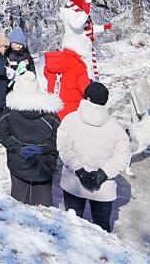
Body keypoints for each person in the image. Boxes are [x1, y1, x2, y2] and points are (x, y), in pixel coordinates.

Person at [57, 82, 130, 232]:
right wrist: (102, 174)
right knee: (101, 231)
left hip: (74, 184)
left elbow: (64, 148)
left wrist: (80, 171)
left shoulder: (70, 120)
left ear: (86, 98)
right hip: (103, 190)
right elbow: (121, 157)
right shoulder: (116, 128)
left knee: (72, 226)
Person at [0, 71, 62, 206]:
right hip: (43, 166)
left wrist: (18, 147)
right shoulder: (50, 114)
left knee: (18, 205)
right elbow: (59, 139)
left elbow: (2, 134)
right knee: (44, 209)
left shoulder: (9, 111)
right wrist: (42, 149)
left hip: (18, 164)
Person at [60, 0, 111, 78]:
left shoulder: (80, 11)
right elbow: (76, 25)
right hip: (75, 49)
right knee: (80, 73)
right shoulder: (68, 11)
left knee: (87, 71)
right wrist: (85, 11)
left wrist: (103, 27)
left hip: (84, 46)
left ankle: (89, 84)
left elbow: (87, 29)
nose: (85, 0)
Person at [43, 35, 92, 119]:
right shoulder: (79, 67)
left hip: (53, 109)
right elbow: (85, 90)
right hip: (72, 112)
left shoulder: (52, 62)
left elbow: (47, 75)